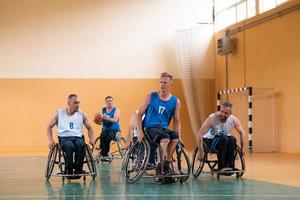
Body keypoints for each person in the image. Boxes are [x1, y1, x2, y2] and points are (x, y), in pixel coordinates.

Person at [136, 72, 181, 174]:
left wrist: (179, 135)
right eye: (160, 82)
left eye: (165, 82)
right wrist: (139, 132)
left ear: (171, 84)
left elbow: (177, 121)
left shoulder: (175, 101)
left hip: (162, 128)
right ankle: (159, 166)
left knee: (174, 136)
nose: (162, 85)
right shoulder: (151, 97)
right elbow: (138, 114)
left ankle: (166, 164)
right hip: (149, 127)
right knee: (164, 137)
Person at [47, 94, 95, 178]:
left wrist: (92, 139)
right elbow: (49, 126)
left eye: (78, 103)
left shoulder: (81, 114)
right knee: (70, 146)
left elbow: (90, 128)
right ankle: (68, 169)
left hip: (78, 137)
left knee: (81, 145)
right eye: (75, 103)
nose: (78, 105)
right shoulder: (60, 113)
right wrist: (51, 140)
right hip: (64, 138)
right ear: (69, 103)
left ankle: (78, 169)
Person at [196, 101, 246, 171]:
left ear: (230, 114)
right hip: (210, 141)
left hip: (224, 139)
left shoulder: (233, 119)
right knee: (224, 139)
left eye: (226, 113)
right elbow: (200, 133)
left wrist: (242, 148)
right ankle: (222, 166)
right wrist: (201, 151)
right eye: (222, 111)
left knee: (232, 139)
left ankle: (230, 166)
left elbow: (242, 132)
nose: (223, 114)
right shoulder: (212, 118)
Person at [97, 96, 121, 161]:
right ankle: (104, 154)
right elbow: (101, 121)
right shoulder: (103, 110)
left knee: (108, 137)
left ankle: (104, 153)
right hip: (105, 129)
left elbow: (115, 120)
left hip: (114, 130)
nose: (109, 102)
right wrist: (98, 121)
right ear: (105, 102)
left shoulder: (116, 110)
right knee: (102, 137)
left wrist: (106, 118)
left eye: (110, 101)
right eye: (108, 101)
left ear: (112, 102)